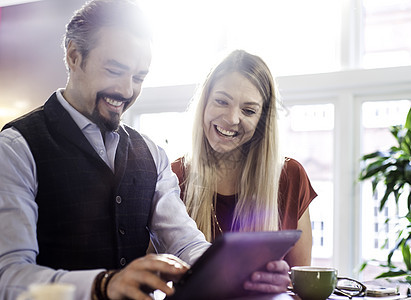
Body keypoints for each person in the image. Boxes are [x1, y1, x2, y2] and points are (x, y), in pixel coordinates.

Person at [0, 1, 290, 300]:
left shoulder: (152, 154)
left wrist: (243, 271)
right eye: (115, 70)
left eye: (139, 77)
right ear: (74, 56)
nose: (127, 91)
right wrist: (103, 285)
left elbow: (186, 244)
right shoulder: (16, 148)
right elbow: (8, 277)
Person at [171, 49, 317, 267]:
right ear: (204, 102)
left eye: (248, 111)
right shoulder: (173, 177)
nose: (231, 119)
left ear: (262, 120)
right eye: (221, 101)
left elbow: (300, 280)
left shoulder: (290, 176)